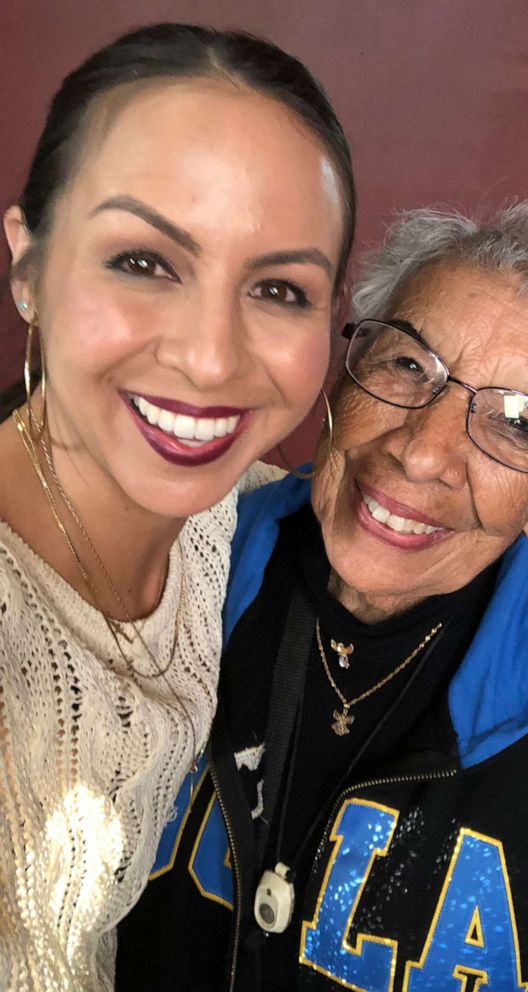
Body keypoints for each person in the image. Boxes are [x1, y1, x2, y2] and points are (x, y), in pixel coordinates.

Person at [117, 198, 528, 991]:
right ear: (341, 378)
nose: (421, 453)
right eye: (407, 365)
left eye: (517, 422)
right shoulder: (176, 574)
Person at [0, 22, 355, 992]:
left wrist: (518, 560)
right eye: (144, 261)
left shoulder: (229, 509)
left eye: (279, 287)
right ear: (28, 265)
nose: (209, 357)